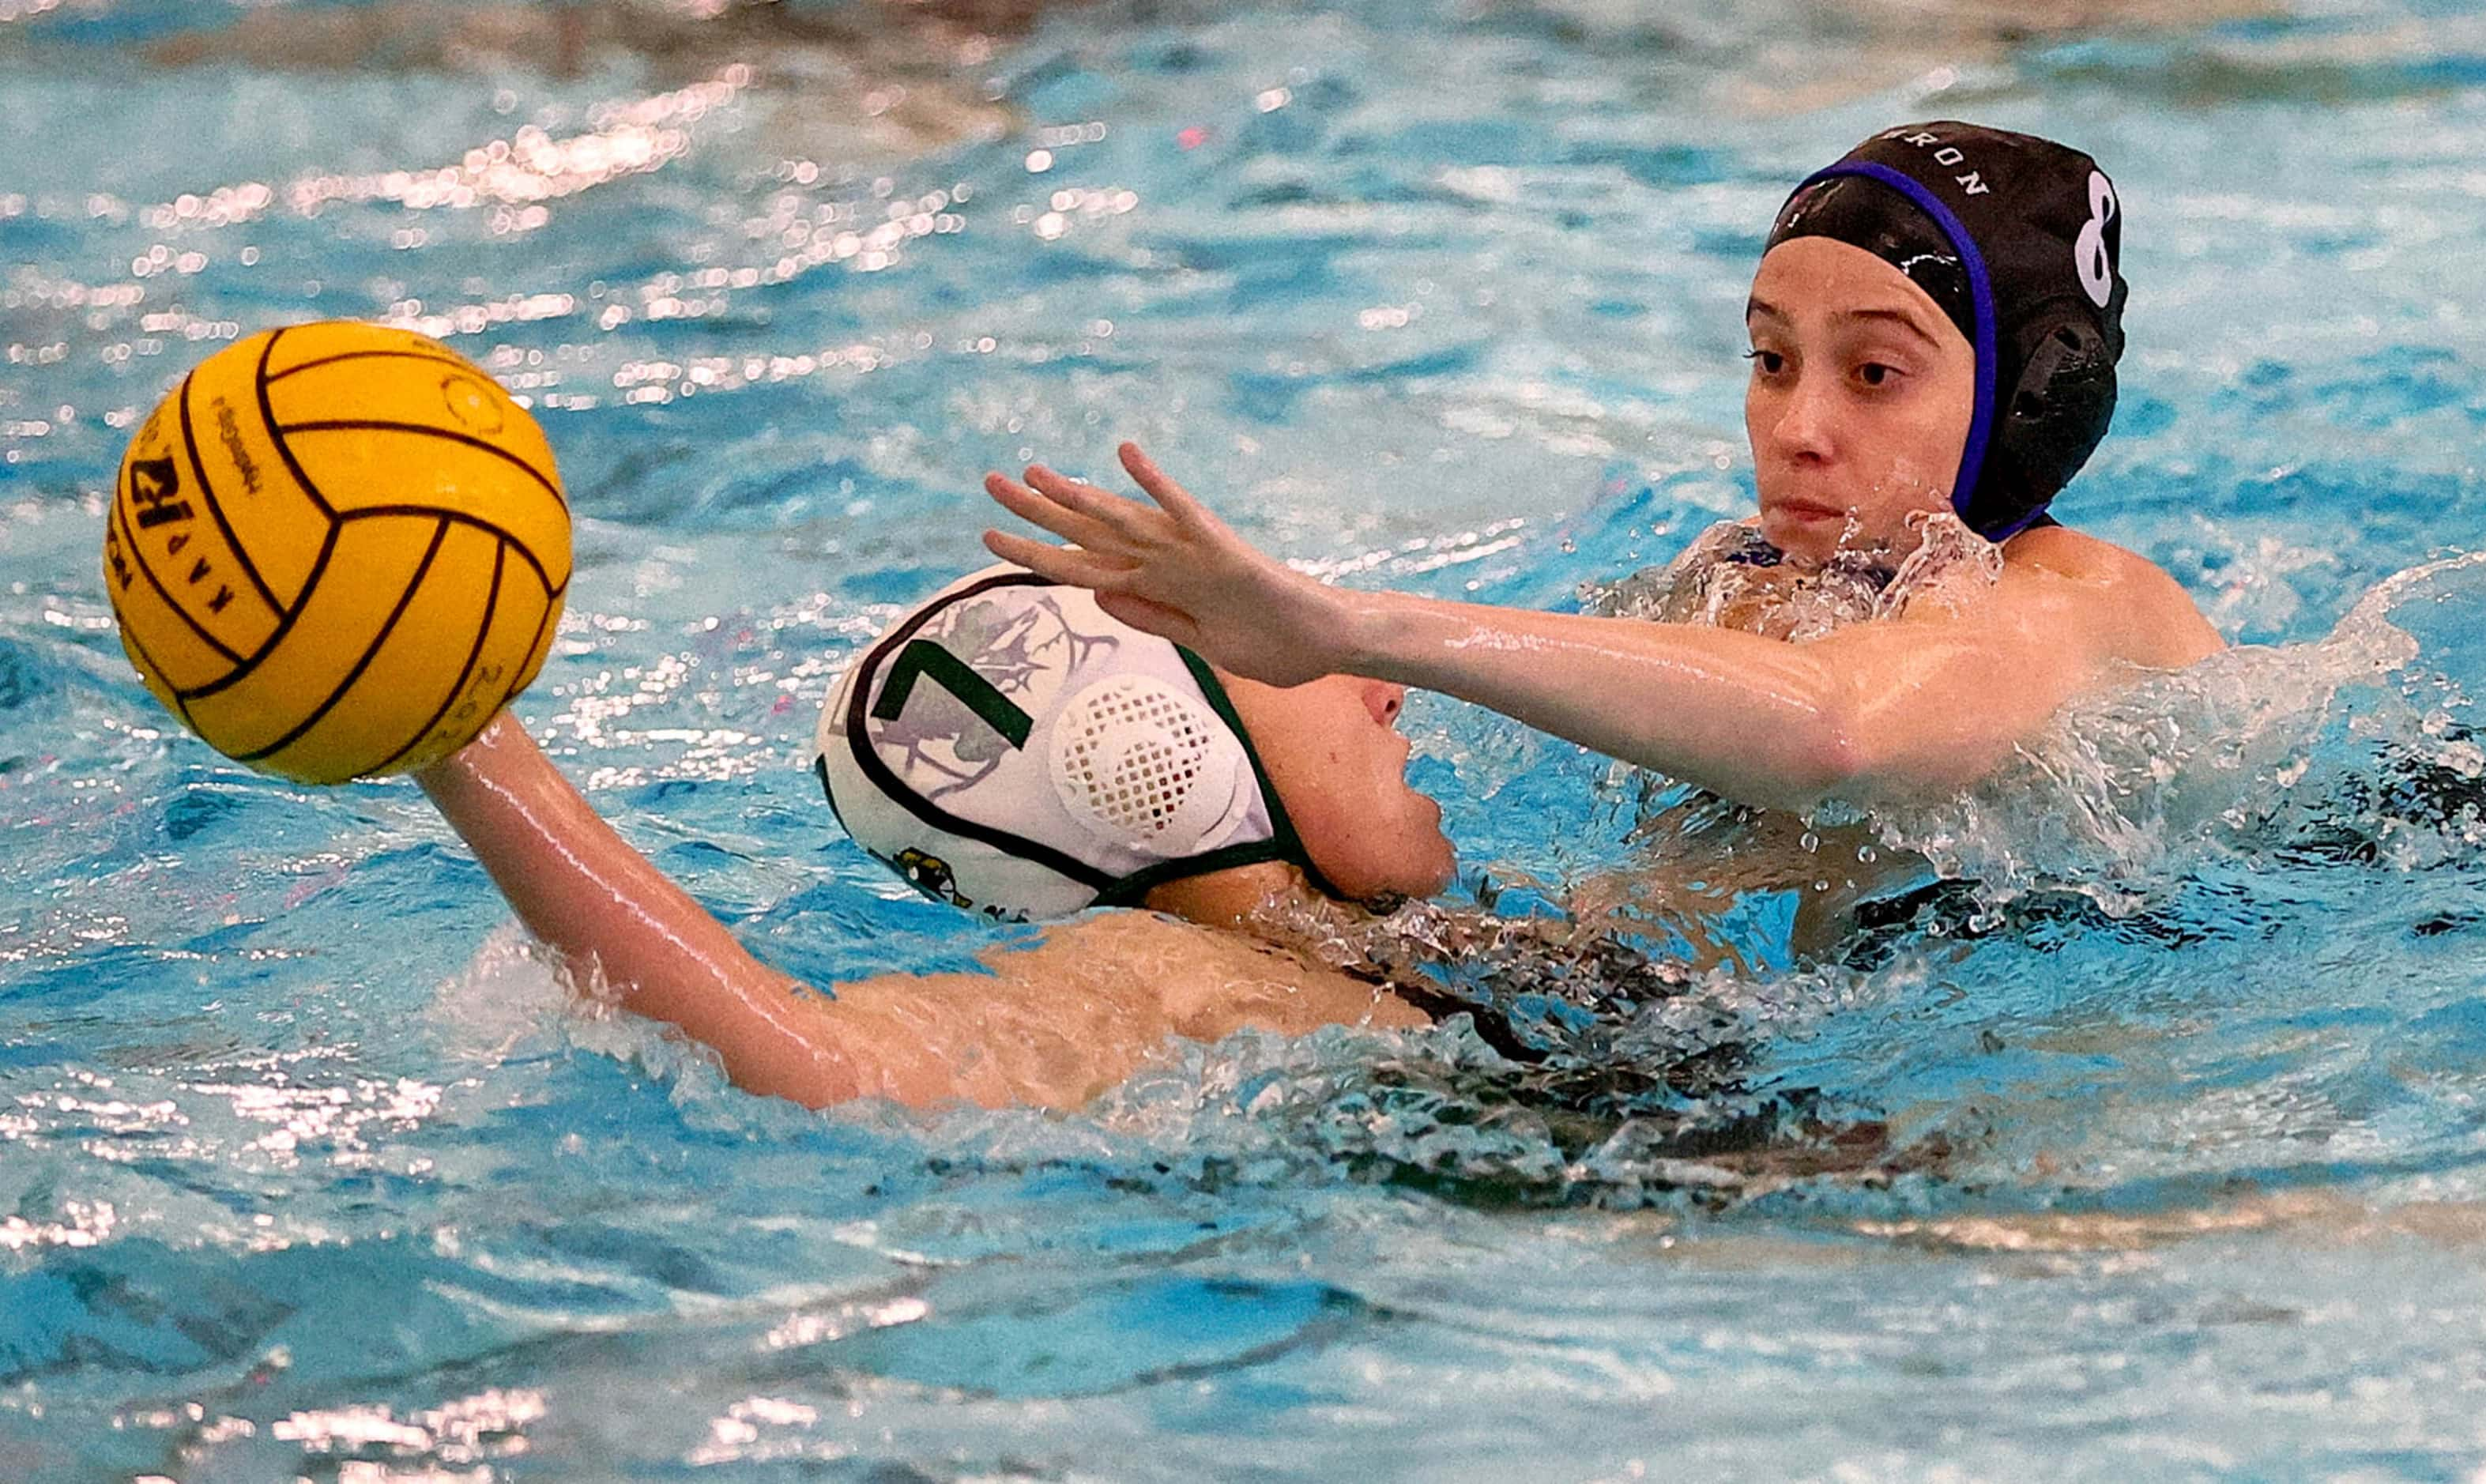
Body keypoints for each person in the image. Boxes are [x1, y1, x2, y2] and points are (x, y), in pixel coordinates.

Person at [981, 122, 2226, 812]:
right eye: (1768, 358)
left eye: (1873, 375)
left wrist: (1351, 627)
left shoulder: (2073, 603)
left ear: (2029, 406)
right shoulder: (1737, 579)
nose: (1795, 426)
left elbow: (1840, 733)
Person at [416, 563, 1464, 1112]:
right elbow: (815, 1066)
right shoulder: (1158, 980)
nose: (1381, 686)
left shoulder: (1410, 939)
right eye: (1286, 645)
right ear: (1148, 748)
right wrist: (465, 746)